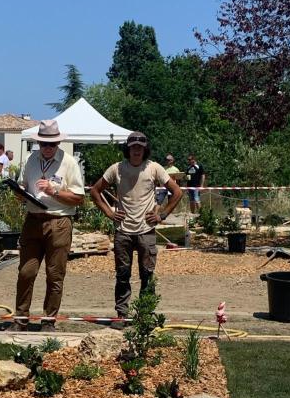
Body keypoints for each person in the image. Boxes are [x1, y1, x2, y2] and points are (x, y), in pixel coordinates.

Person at [91, 132, 183, 320]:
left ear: (145, 149)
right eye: (133, 147)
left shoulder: (154, 168)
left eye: (140, 147)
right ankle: (122, 314)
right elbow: (95, 191)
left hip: (146, 230)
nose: (136, 151)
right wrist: (109, 213)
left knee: (147, 275)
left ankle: (145, 314)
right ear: (128, 148)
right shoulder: (117, 169)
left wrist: (162, 214)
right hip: (123, 230)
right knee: (122, 274)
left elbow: (177, 192)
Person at [12, 120, 85, 331]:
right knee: (26, 272)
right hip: (33, 219)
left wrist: (54, 191)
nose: (47, 148)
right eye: (44, 143)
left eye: (51, 144)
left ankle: (49, 320)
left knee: (55, 274)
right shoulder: (30, 159)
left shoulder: (69, 162)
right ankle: (21, 319)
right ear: (39, 143)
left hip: (59, 221)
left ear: (58, 144)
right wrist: (19, 192)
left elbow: (79, 198)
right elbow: (25, 185)